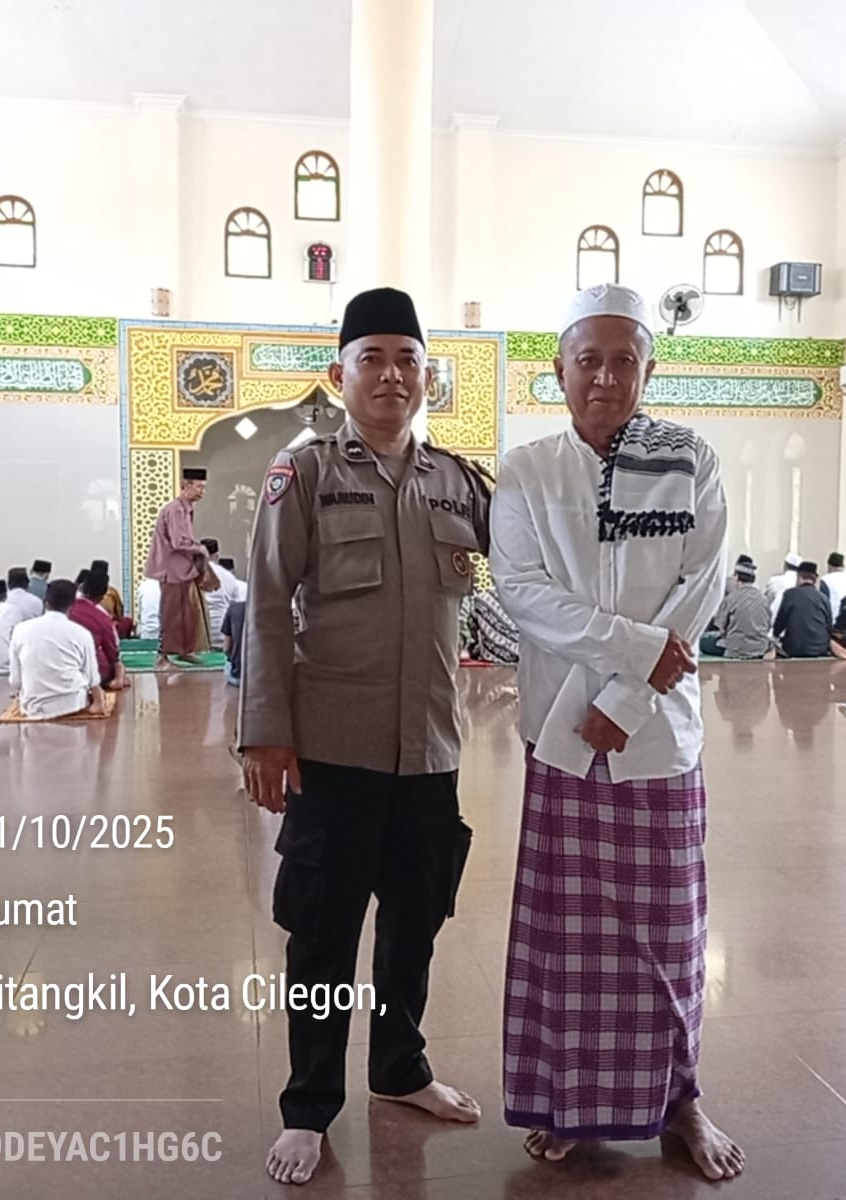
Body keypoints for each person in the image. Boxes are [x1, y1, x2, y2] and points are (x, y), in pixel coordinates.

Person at [238, 286, 493, 1186]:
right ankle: (309, 1104)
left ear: (428, 375)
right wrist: (264, 734)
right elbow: (267, 605)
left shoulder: (458, 481)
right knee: (322, 934)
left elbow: (531, 576)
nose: (392, 375)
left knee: (416, 922)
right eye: (373, 359)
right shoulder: (304, 472)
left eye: (407, 360)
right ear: (338, 373)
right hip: (331, 752)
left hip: (430, 749)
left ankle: (399, 1067)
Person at [490, 283, 742, 1183]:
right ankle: (572, 1103)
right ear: (557, 370)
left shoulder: (691, 461)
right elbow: (522, 591)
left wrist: (627, 700)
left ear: (649, 369)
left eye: (623, 360)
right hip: (560, 730)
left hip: (658, 739)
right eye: (587, 360)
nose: (604, 377)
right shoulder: (527, 470)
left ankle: (681, 1101)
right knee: (570, 936)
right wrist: (634, 652)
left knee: (670, 930)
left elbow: (701, 588)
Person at [145, 468, 213, 667]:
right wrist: (200, 549)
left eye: (204, 488)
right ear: (186, 485)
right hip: (172, 570)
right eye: (199, 487)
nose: (202, 492)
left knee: (187, 613)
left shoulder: (186, 508)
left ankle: (185, 651)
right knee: (171, 613)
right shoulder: (175, 509)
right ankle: (163, 656)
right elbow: (178, 542)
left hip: (183, 570)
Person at [8, 578, 105, 718]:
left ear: (45, 603)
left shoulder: (20, 630)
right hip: (73, 704)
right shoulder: (81, 633)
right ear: (72, 606)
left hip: (33, 706)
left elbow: (15, 681)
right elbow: (92, 678)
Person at [774, 560, 846, 659]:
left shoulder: (790, 594)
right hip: (821, 649)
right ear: (815, 579)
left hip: (795, 650)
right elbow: (828, 627)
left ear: (798, 576)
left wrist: (775, 635)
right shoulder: (823, 598)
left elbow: (780, 622)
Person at [71, 569, 129, 691]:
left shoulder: (66, 609)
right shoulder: (101, 616)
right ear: (102, 595)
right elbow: (112, 653)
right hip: (91, 671)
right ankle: (118, 679)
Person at [703, 558, 772, 659]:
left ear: (736, 577)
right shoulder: (764, 598)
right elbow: (768, 625)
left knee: (704, 642)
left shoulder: (731, 598)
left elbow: (720, 627)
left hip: (736, 650)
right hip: (760, 649)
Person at [200, 537, 248, 648]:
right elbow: (237, 609)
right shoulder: (229, 577)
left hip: (196, 642)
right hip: (221, 639)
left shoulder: (189, 576)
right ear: (217, 556)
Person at [220, 596, 246, 687]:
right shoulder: (278, 608)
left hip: (239, 677)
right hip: (271, 679)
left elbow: (226, 648)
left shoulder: (234, 607)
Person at [822, 551, 846, 620]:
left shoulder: (826, 579)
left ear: (829, 565)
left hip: (833, 618)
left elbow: (823, 602)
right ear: (843, 566)